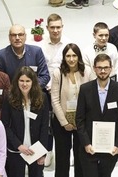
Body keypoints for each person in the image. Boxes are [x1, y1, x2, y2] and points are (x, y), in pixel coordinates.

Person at [76, 54, 118, 177]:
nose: (103, 71)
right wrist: (86, 143)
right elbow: (79, 119)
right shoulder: (85, 89)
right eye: (99, 68)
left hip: (110, 148)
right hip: (89, 147)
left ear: (111, 68)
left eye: (106, 67)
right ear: (94, 69)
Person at [50, 44, 96, 177]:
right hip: (62, 121)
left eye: (74, 55)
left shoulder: (87, 71)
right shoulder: (58, 73)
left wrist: (81, 121)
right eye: (68, 56)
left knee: (80, 156)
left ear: (79, 57)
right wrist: (64, 122)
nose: (71, 59)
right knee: (62, 156)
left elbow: (92, 96)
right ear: (64, 57)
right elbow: (55, 99)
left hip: (82, 122)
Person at [1, 66, 50, 177]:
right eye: (21, 81)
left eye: (28, 81)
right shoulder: (9, 98)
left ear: (33, 82)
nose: (24, 84)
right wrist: (18, 145)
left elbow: (44, 126)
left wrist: (42, 152)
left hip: (36, 150)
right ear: (17, 81)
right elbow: (5, 125)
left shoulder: (42, 98)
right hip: (16, 150)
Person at [0, 24, 51, 88]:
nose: (17, 38)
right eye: (14, 35)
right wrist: (16, 92)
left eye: (20, 35)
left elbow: (45, 76)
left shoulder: (36, 52)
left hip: (34, 93)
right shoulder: (1, 55)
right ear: (9, 37)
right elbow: (0, 81)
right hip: (12, 95)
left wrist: (29, 88)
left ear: (25, 36)